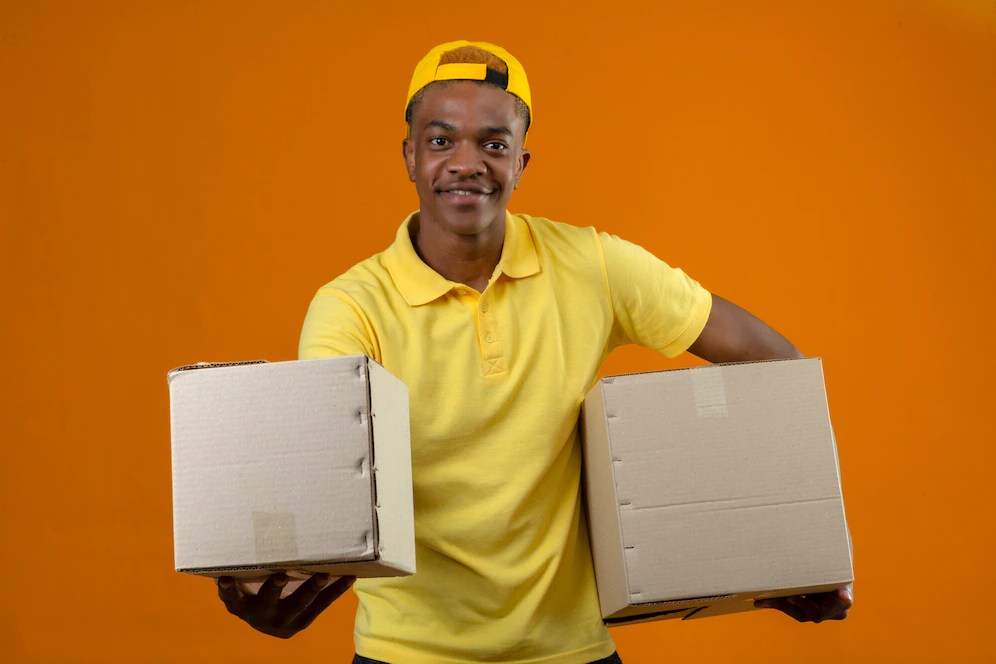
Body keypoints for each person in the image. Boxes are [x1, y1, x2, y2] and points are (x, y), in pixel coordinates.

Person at [215, 40, 853, 663]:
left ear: (522, 161)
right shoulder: (351, 307)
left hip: (571, 651)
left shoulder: (593, 265)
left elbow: (775, 364)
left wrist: (788, 546)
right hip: (409, 654)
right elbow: (318, 480)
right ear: (409, 157)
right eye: (441, 141)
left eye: (494, 144)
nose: (467, 162)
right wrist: (260, 580)